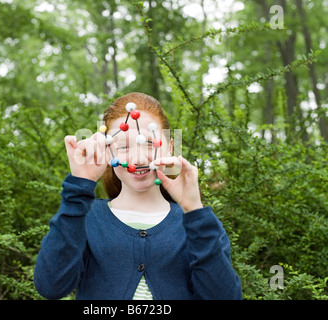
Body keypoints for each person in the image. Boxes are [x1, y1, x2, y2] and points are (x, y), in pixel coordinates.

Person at [34, 92, 242, 300]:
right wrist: (79, 187)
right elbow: (51, 286)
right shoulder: (86, 218)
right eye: (123, 146)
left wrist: (194, 210)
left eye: (150, 144)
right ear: (107, 152)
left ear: (169, 148)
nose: (138, 158)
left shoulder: (199, 224)